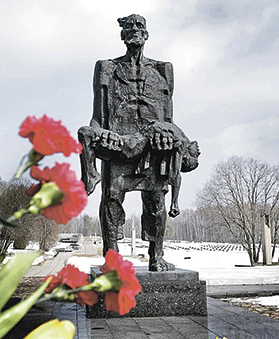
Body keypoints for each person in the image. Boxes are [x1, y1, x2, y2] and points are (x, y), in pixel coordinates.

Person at [78, 14, 199, 271]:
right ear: (122, 35)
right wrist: (99, 136)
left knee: (156, 201)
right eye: (129, 27)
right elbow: (98, 116)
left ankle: (156, 256)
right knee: (111, 198)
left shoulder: (162, 69)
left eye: (139, 26)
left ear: (146, 34)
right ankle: (112, 259)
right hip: (120, 142)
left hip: (155, 147)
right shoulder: (107, 67)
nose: (134, 30)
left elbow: (168, 117)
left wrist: (171, 140)